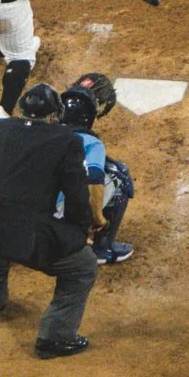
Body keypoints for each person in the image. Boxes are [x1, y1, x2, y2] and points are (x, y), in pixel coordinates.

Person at [0, 82, 107, 358]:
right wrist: (79, 230)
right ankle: (55, 337)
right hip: (29, 233)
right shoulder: (65, 141)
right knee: (83, 266)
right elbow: (76, 195)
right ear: (53, 116)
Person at [60, 73, 135, 265]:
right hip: (53, 222)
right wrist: (98, 220)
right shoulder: (91, 143)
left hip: (17, 217)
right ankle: (102, 249)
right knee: (119, 174)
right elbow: (93, 179)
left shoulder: (38, 130)